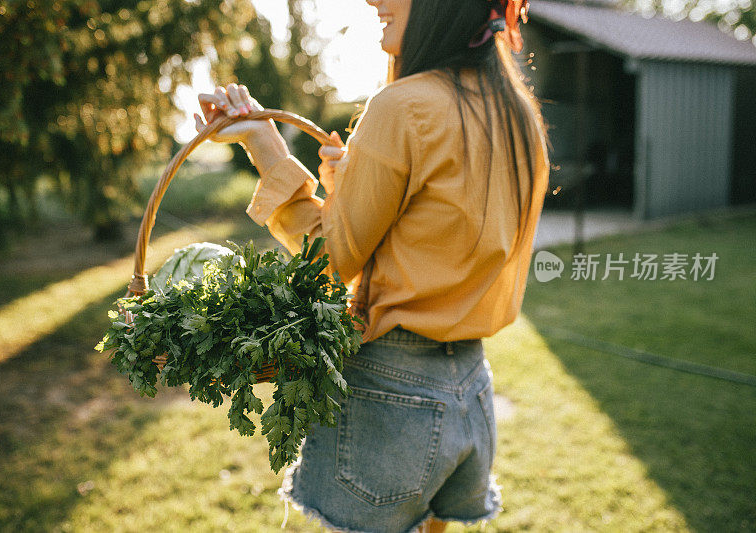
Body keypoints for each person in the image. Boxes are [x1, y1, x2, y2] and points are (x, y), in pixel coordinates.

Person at [194, 0, 549, 530]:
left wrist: (264, 143)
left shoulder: (404, 107)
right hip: (470, 388)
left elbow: (333, 263)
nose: (373, 0)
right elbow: (434, 236)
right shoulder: (516, 112)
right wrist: (352, 187)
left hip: (392, 393)